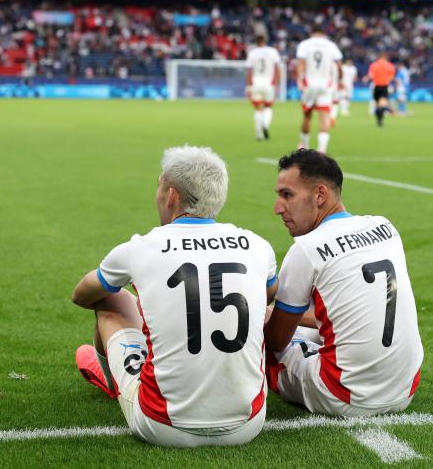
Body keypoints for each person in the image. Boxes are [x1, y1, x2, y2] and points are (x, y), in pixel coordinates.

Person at [71, 145, 278, 448]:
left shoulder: (140, 247)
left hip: (162, 425)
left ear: (171, 196)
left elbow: (81, 295)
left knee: (110, 299)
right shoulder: (258, 245)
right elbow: (269, 295)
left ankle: (116, 382)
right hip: (248, 424)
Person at [264, 150, 423, 416]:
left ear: (320, 195)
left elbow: (277, 341)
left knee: (257, 337)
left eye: (287, 195)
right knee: (308, 330)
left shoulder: (307, 248)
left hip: (344, 394)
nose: (277, 207)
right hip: (406, 387)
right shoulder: (384, 226)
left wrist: (265, 317)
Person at [295, 27, 343, 153]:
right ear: (323, 34)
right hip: (326, 84)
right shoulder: (331, 45)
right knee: (324, 116)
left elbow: (300, 63)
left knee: (307, 115)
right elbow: (339, 65)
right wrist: (341, 78)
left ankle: (304, 146)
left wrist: (300, 80)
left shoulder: (304, 44)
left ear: (312, 33)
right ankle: (322, 149)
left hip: (309, 84)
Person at [245, 35, 280, 140]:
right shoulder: (272, 51)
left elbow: (249, 71)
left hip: (256, 83)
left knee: (258, 109)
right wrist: (277, 83)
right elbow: (277, 69)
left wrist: (248, 86)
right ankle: (265, 124)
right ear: (265, 41)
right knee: (268, 107)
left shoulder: (252, 53)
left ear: (256, 42)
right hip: (268, 83)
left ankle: (259, 134)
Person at [364, 52, 396, 128]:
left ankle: (379, 120)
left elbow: (371, 75)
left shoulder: (374, 65)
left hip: (376, 86)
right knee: (382, 104)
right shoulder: (390, 65)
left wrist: (366, 78)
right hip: (384, 87)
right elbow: (391, 77)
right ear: (386, 57)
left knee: (377, 104)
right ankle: (387, 111)